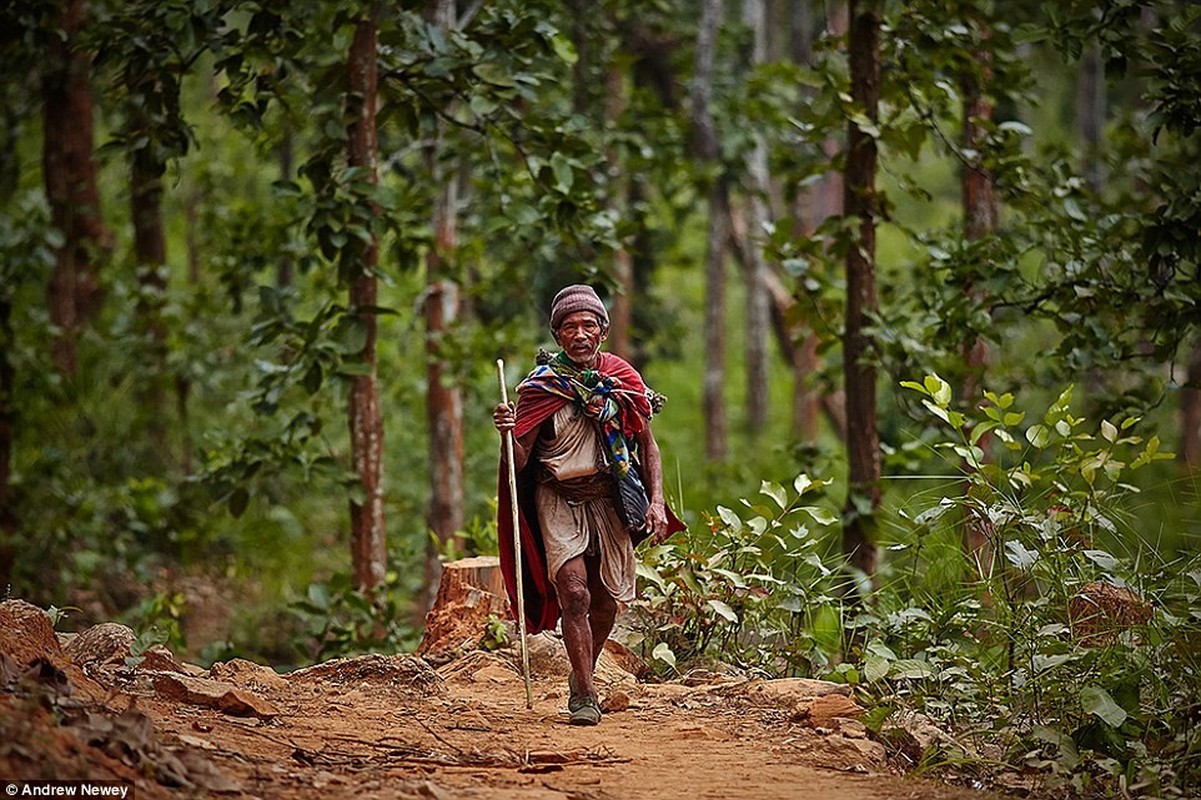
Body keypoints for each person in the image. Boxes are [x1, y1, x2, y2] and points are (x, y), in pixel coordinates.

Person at [494, 284, 684, 725]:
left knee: (604, 604)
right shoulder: (540, 389)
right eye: (569, 327)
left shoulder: (623, 382)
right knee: (574, 593)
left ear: (602, 331)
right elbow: (520, 459)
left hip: (609, 496)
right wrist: (506, 432)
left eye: (588, 325)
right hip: (557, 497)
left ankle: (582, 677)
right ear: (557, 336)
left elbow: (647, 446)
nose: (579, 334)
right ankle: (586, 696)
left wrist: (656, 501)